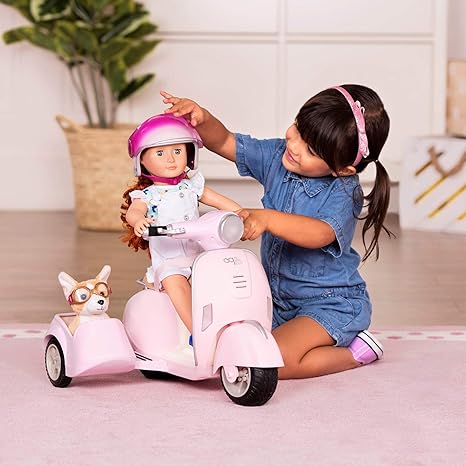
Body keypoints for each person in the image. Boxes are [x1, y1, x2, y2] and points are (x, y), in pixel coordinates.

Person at [160, 85, 392, 379]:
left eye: (310, 150)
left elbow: (320, 233)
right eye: (298, 128)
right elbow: (227, 141)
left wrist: (268, 219)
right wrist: (202, 119)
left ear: (342, 169)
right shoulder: (277, 156)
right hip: (276, 302)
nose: (294, 145)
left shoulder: (344, 190)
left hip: (330, 304)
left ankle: (355, 354)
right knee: (229, 343)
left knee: (272, 361)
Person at [121, 114, 241, 334]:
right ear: (142, 161)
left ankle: (230, 322)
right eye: (160, 153)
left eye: (177, 151)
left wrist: (243, 214)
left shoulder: (192, 186)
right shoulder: (148, 195)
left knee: (222, 276)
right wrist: (139, 221)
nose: (171, 159)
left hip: (199, 255)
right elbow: (134, 211)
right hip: (170, 261)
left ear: (189, 154)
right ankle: (198, 332)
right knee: (176, 285)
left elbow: (220, 202)